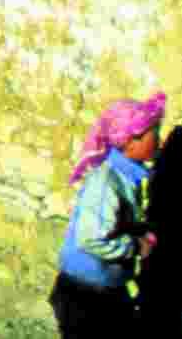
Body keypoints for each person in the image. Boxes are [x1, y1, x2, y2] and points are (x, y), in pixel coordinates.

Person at [53, 91, 166, 334]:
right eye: (154, 134)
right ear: (130, 142)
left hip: (100, 289)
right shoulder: (107, 183)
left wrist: (139, 230)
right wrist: (135, 246)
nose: (159, 140)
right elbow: (91, 237)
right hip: (85, 297)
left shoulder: (125, 177)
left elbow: (112, 222)